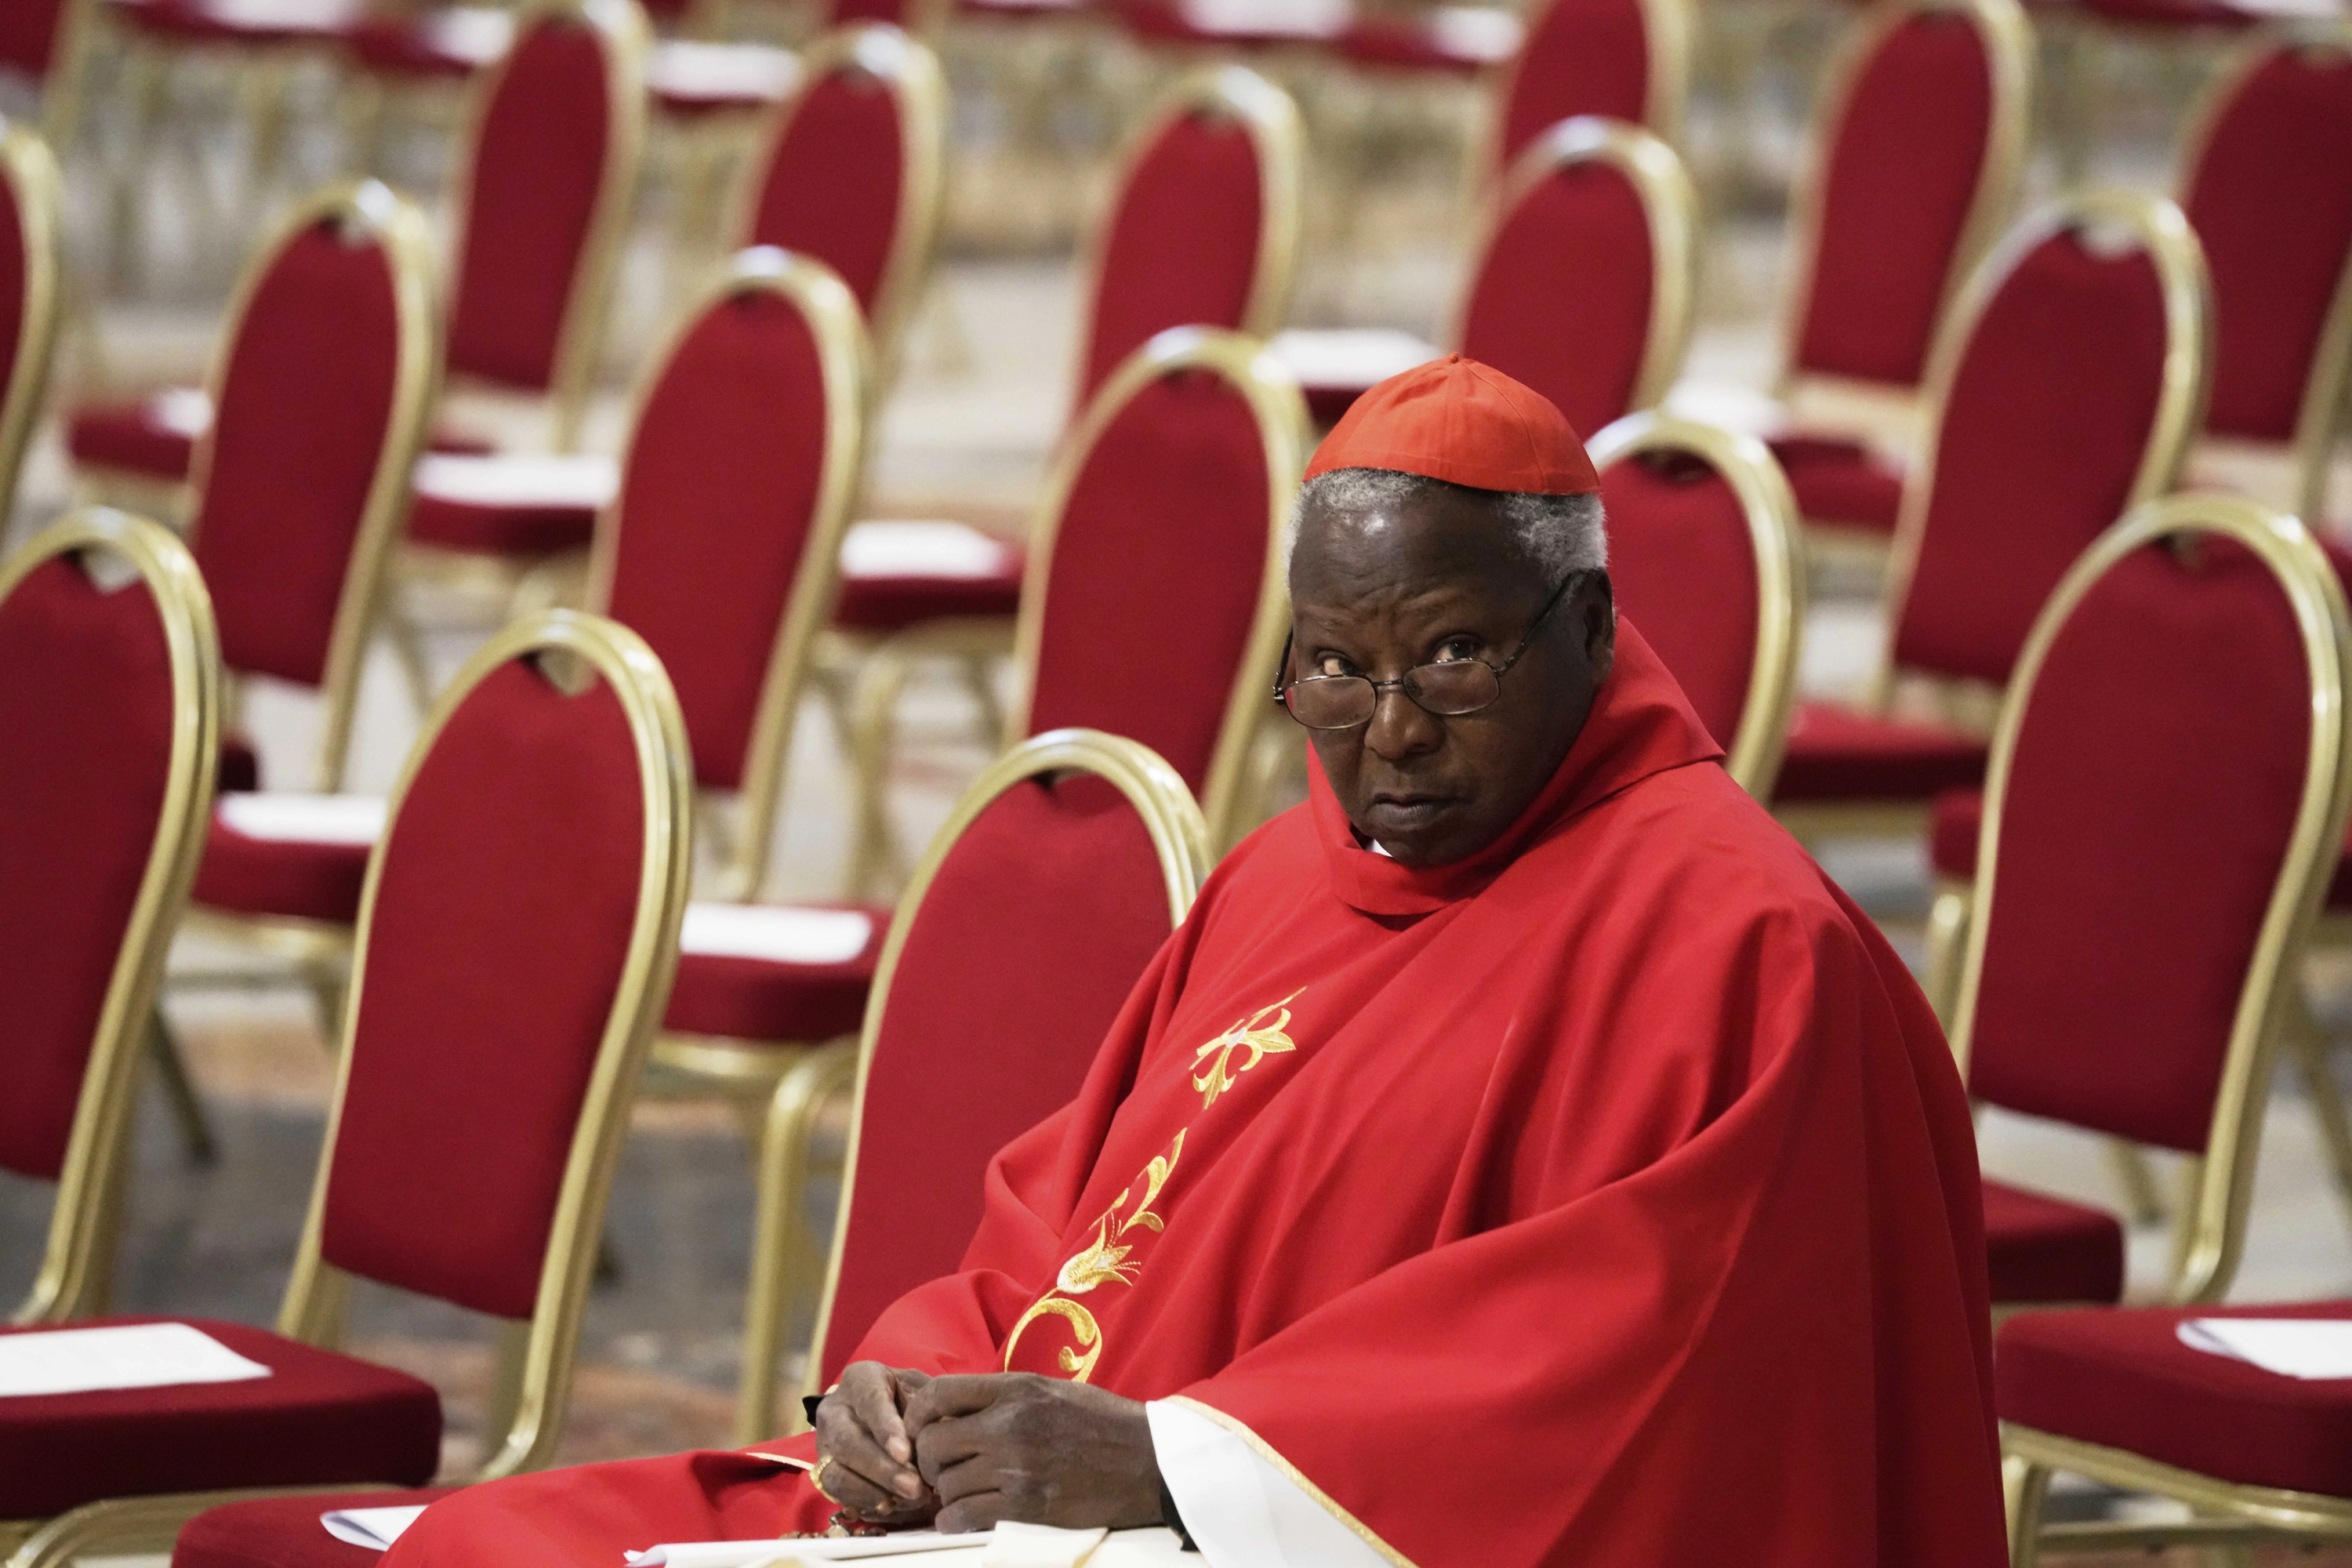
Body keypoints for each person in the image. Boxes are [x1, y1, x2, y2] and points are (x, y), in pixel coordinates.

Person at [387, 357, 2005, 1566]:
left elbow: (1649, 1398)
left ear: (1587, 624)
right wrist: (910, 1395)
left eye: (1452, 653)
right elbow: (1066, 1229)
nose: (1385, 730)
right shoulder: (1286, 874)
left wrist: (1181, 1467)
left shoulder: (1745, 945)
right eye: (1333, 665)